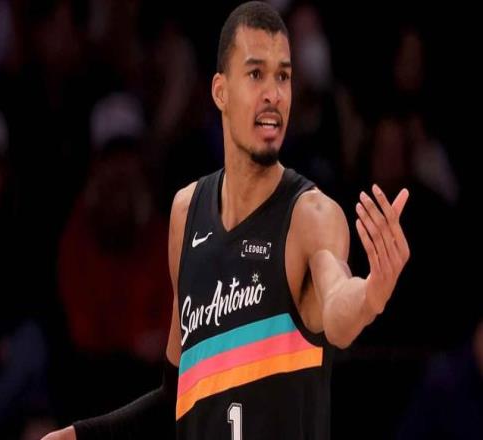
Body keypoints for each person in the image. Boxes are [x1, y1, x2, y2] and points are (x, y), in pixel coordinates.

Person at [43, 2, 410, 439]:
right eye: (256, 74)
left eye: (283, 77)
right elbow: (175, 396)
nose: (273, 93)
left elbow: (338, 310)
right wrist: (79, 435)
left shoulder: (311, 215)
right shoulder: (185, 212)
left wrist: (369, 296)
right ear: (220, 91)